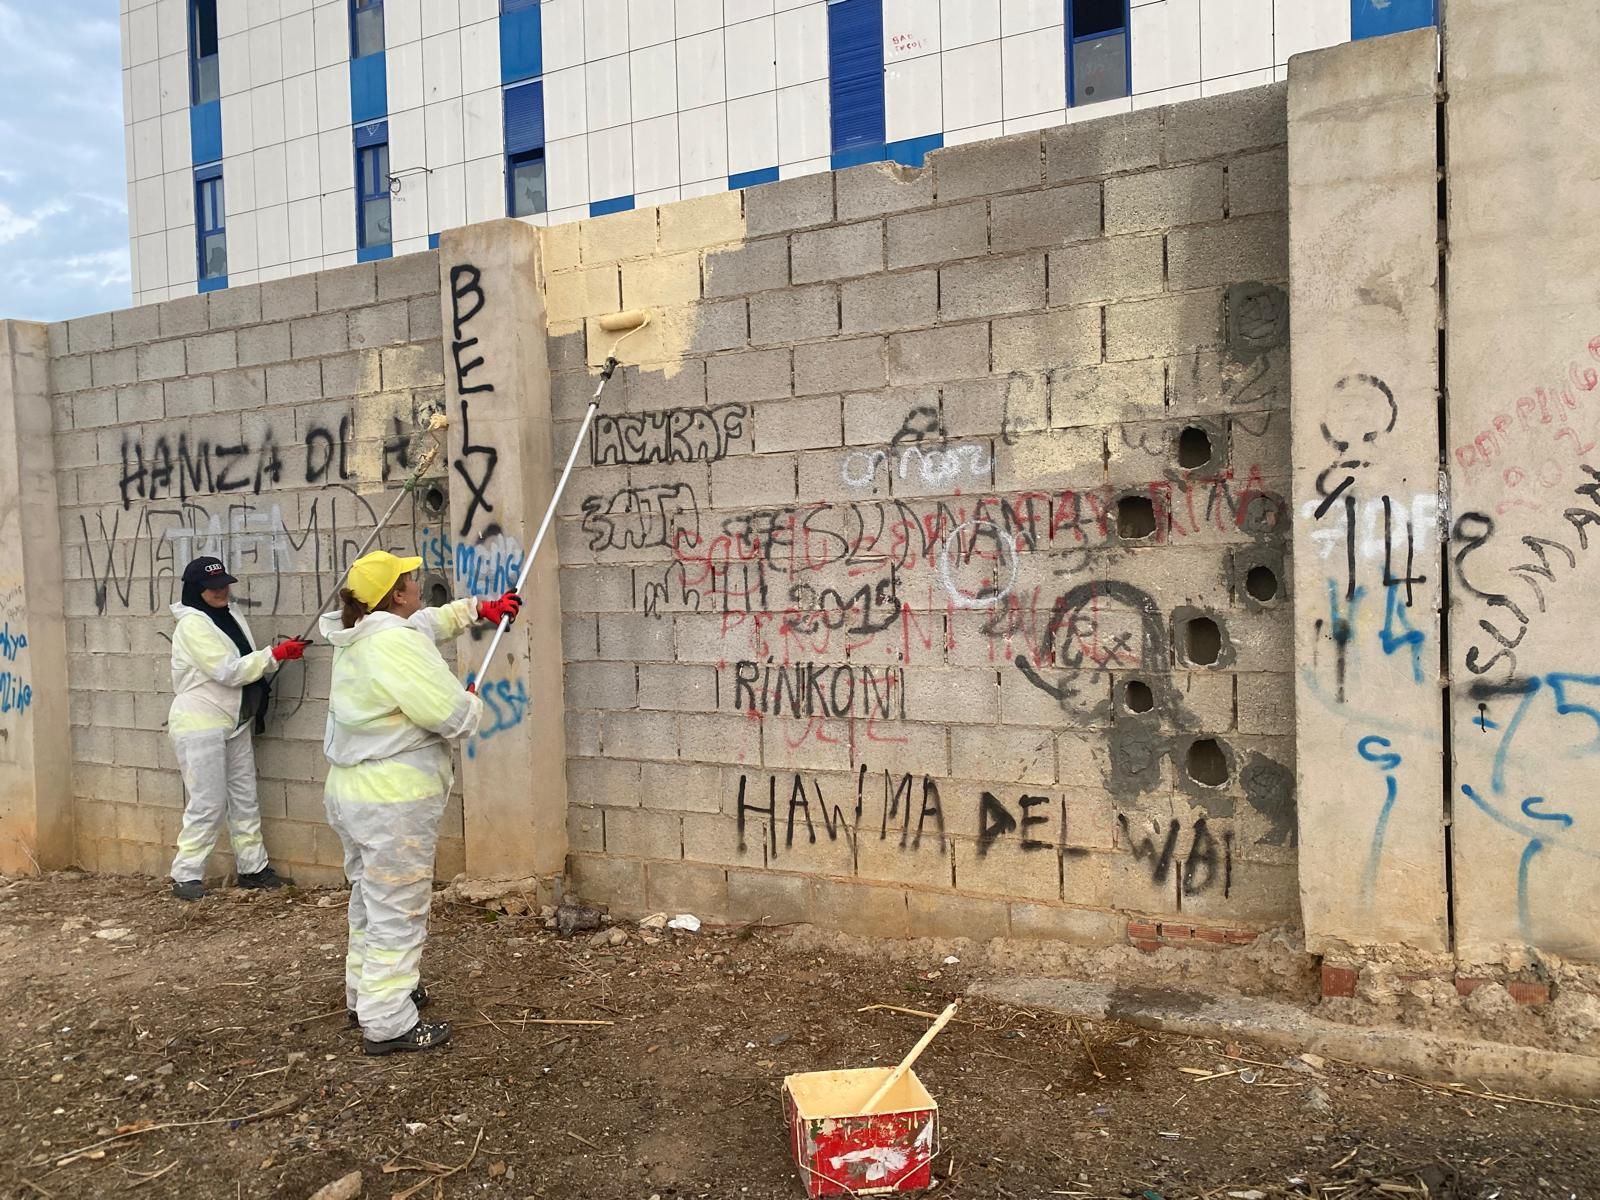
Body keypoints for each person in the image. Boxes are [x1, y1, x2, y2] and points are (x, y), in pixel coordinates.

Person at [321, 549, 521, 1055]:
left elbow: (426, 623)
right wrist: (468, 701)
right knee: (398, 910)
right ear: (396, 595)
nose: (418, 583)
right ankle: (388, 1021)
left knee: (370, 900)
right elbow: (451, 717)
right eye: (411, 579)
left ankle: (366, 995)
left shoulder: (362, 632)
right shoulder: (395, 644)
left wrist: (477, 609)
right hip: (391, 801)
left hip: (353, 792)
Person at [168, 556, 309, 901]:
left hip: (234, 719)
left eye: (223, 585)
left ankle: (253, 868)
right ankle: (186, 875)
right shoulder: (192, 625)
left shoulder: (230, 614)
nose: (221, 592)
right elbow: (227, 671)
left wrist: (273, 655)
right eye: (212, 588)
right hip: (200, 722)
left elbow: (242, 660)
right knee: (208, 802)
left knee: (244, 798)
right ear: (196, 590)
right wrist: (275, 655)